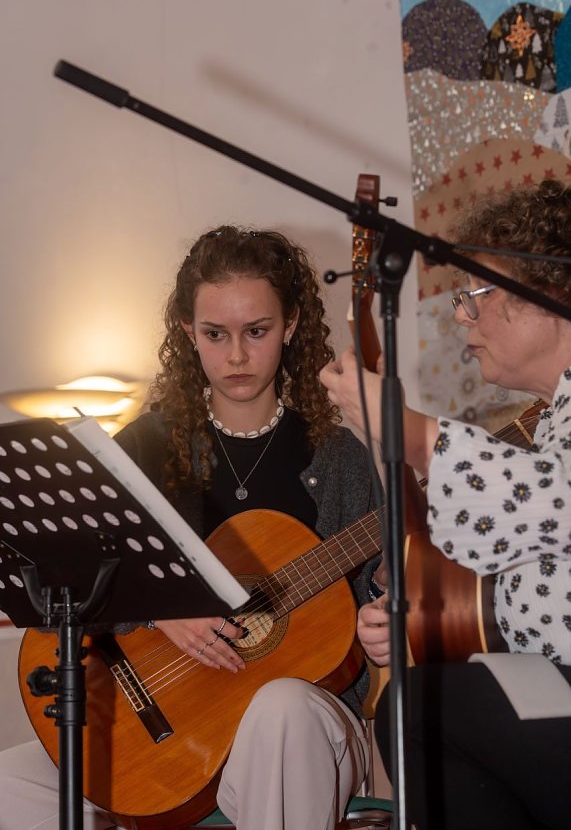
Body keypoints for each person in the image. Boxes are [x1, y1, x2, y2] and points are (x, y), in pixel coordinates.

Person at [0, 225, 384, 830]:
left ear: (291, 326)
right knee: (7, 787)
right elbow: (63, 584)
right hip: (170, 729)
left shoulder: (339, 459)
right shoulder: (144, 450)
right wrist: (158, 609)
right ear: (187, 333)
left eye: (256, 331)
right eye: (215, 334)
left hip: (300, 734)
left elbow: (370, 619)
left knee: (280, 708)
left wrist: (385, 627)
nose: (236, 356)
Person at [320, 179, 571, 830]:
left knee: (418, 711)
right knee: (416, 708)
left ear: (546, 293)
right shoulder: (550, 422)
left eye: (473, 297)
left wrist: (417, 435)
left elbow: (556, 505)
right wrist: (417, 615)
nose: (462, 317)